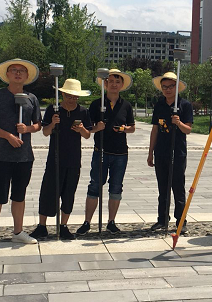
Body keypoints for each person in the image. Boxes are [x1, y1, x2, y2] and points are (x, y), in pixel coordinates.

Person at [0, 59, 42, 249]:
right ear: (7, 74)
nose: (17, 73)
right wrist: (8, 136)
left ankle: (18, 232)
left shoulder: (31, 98)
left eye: (21, 71)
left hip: (24, 156)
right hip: (2, 156)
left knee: (19, 195)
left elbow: (38, 125)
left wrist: (27, 129)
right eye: (14, 70)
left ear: (27, 76)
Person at [32, 79, 93, 241]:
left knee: (69, 192)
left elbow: (87, 135)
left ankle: (64, 225)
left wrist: (81, 129)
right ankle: (42, 226)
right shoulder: (54, 109)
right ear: (63, 94)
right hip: (55, 156)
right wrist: (52, 123)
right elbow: (45, 132)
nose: (71, 99)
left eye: (75, 97)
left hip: (73, 158)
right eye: (69, 96)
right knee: (48, 191)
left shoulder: (83, 111)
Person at [80, 69, 135, 235]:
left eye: (117, 82)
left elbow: (132, 127)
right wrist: (97, 128)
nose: (114, 85)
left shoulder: (126, 105)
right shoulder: (97, 104)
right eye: (111, 81)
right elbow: (88, 129)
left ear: (122, 85)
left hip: (120, 153)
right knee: (95, 186)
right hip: (101, 151)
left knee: (116, 187)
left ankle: (111, 221)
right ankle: (87, 222)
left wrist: (124, 129)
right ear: (105, 84)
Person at [147, 72, 193, 233]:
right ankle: (162, 219)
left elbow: (188, 130)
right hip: (161, 152)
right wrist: (150, 152)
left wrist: (179, 122)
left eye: (171, 86)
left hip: (178, 152)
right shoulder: (159, 105)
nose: (167, 90)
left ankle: (181, 221)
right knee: (163, 189)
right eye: (164, 87)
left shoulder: (184, 105)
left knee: (178, 188)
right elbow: (155, 129)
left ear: (177, 87)